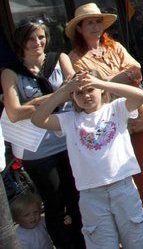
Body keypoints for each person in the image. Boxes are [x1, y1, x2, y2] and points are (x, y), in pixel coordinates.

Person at [32, 72, 143, 249]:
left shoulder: (116, 108)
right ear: (73, 97)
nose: (86, 95)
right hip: (91, 194)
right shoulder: (70, 119)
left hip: (122, 187)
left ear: (100, 90)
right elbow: (37, 119)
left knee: (136, 242)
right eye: (79, 93)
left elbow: (140, 96)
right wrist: (64, 90)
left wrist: (101, 83)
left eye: (90, 89)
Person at [66, 3, 143, 207]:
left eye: (98, 22)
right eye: (89, 23)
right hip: (105, 121)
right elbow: (86, 86)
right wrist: (119, 78)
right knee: (119, 173)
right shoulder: (75, 58)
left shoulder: (114, 47)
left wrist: (104, 82)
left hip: (134, 116)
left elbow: (136, 71)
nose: (95, 27)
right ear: (79, 28)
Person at [1, 20, 84, 248]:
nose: (37, 42)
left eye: (41, 37)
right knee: (54, 204)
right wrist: (56, 96)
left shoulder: (60, 58)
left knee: (77, 198)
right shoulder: (10, 72)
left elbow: (76, 89)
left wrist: (34, 103)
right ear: (21, 42)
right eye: (30, 38)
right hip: (37, 149)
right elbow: (14, 113)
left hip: (68, 139)